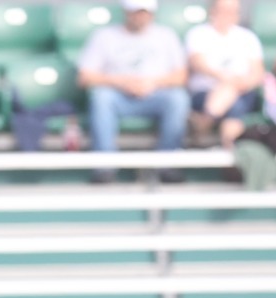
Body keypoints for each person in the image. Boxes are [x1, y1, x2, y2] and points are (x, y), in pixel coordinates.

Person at [78, 0, 191, 183]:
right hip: (118, 96)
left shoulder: (166, 36)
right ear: (126, 12)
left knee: (178, 99)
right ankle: (104, 167)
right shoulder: (104, 36)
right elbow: (85, 77)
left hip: (156, 95)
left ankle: (167, 164)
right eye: (136, 11)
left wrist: (152, 83)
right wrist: (122, 82)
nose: (140, 16)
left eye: (144, 12)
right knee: (101, 98)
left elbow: (181, 76)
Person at [184, 0, 264, 151]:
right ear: (212, 10)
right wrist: (226, 79)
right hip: (204, 93)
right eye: (223, 10)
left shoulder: (248, 37)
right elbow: (197, 62)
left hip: (242, 91)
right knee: (234, 103)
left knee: (233, 96)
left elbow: (258, 73)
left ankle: (204, 123)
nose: (227, 15)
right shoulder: (198, 33)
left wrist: (242, 83)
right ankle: (232, 154)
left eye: (232, 10)